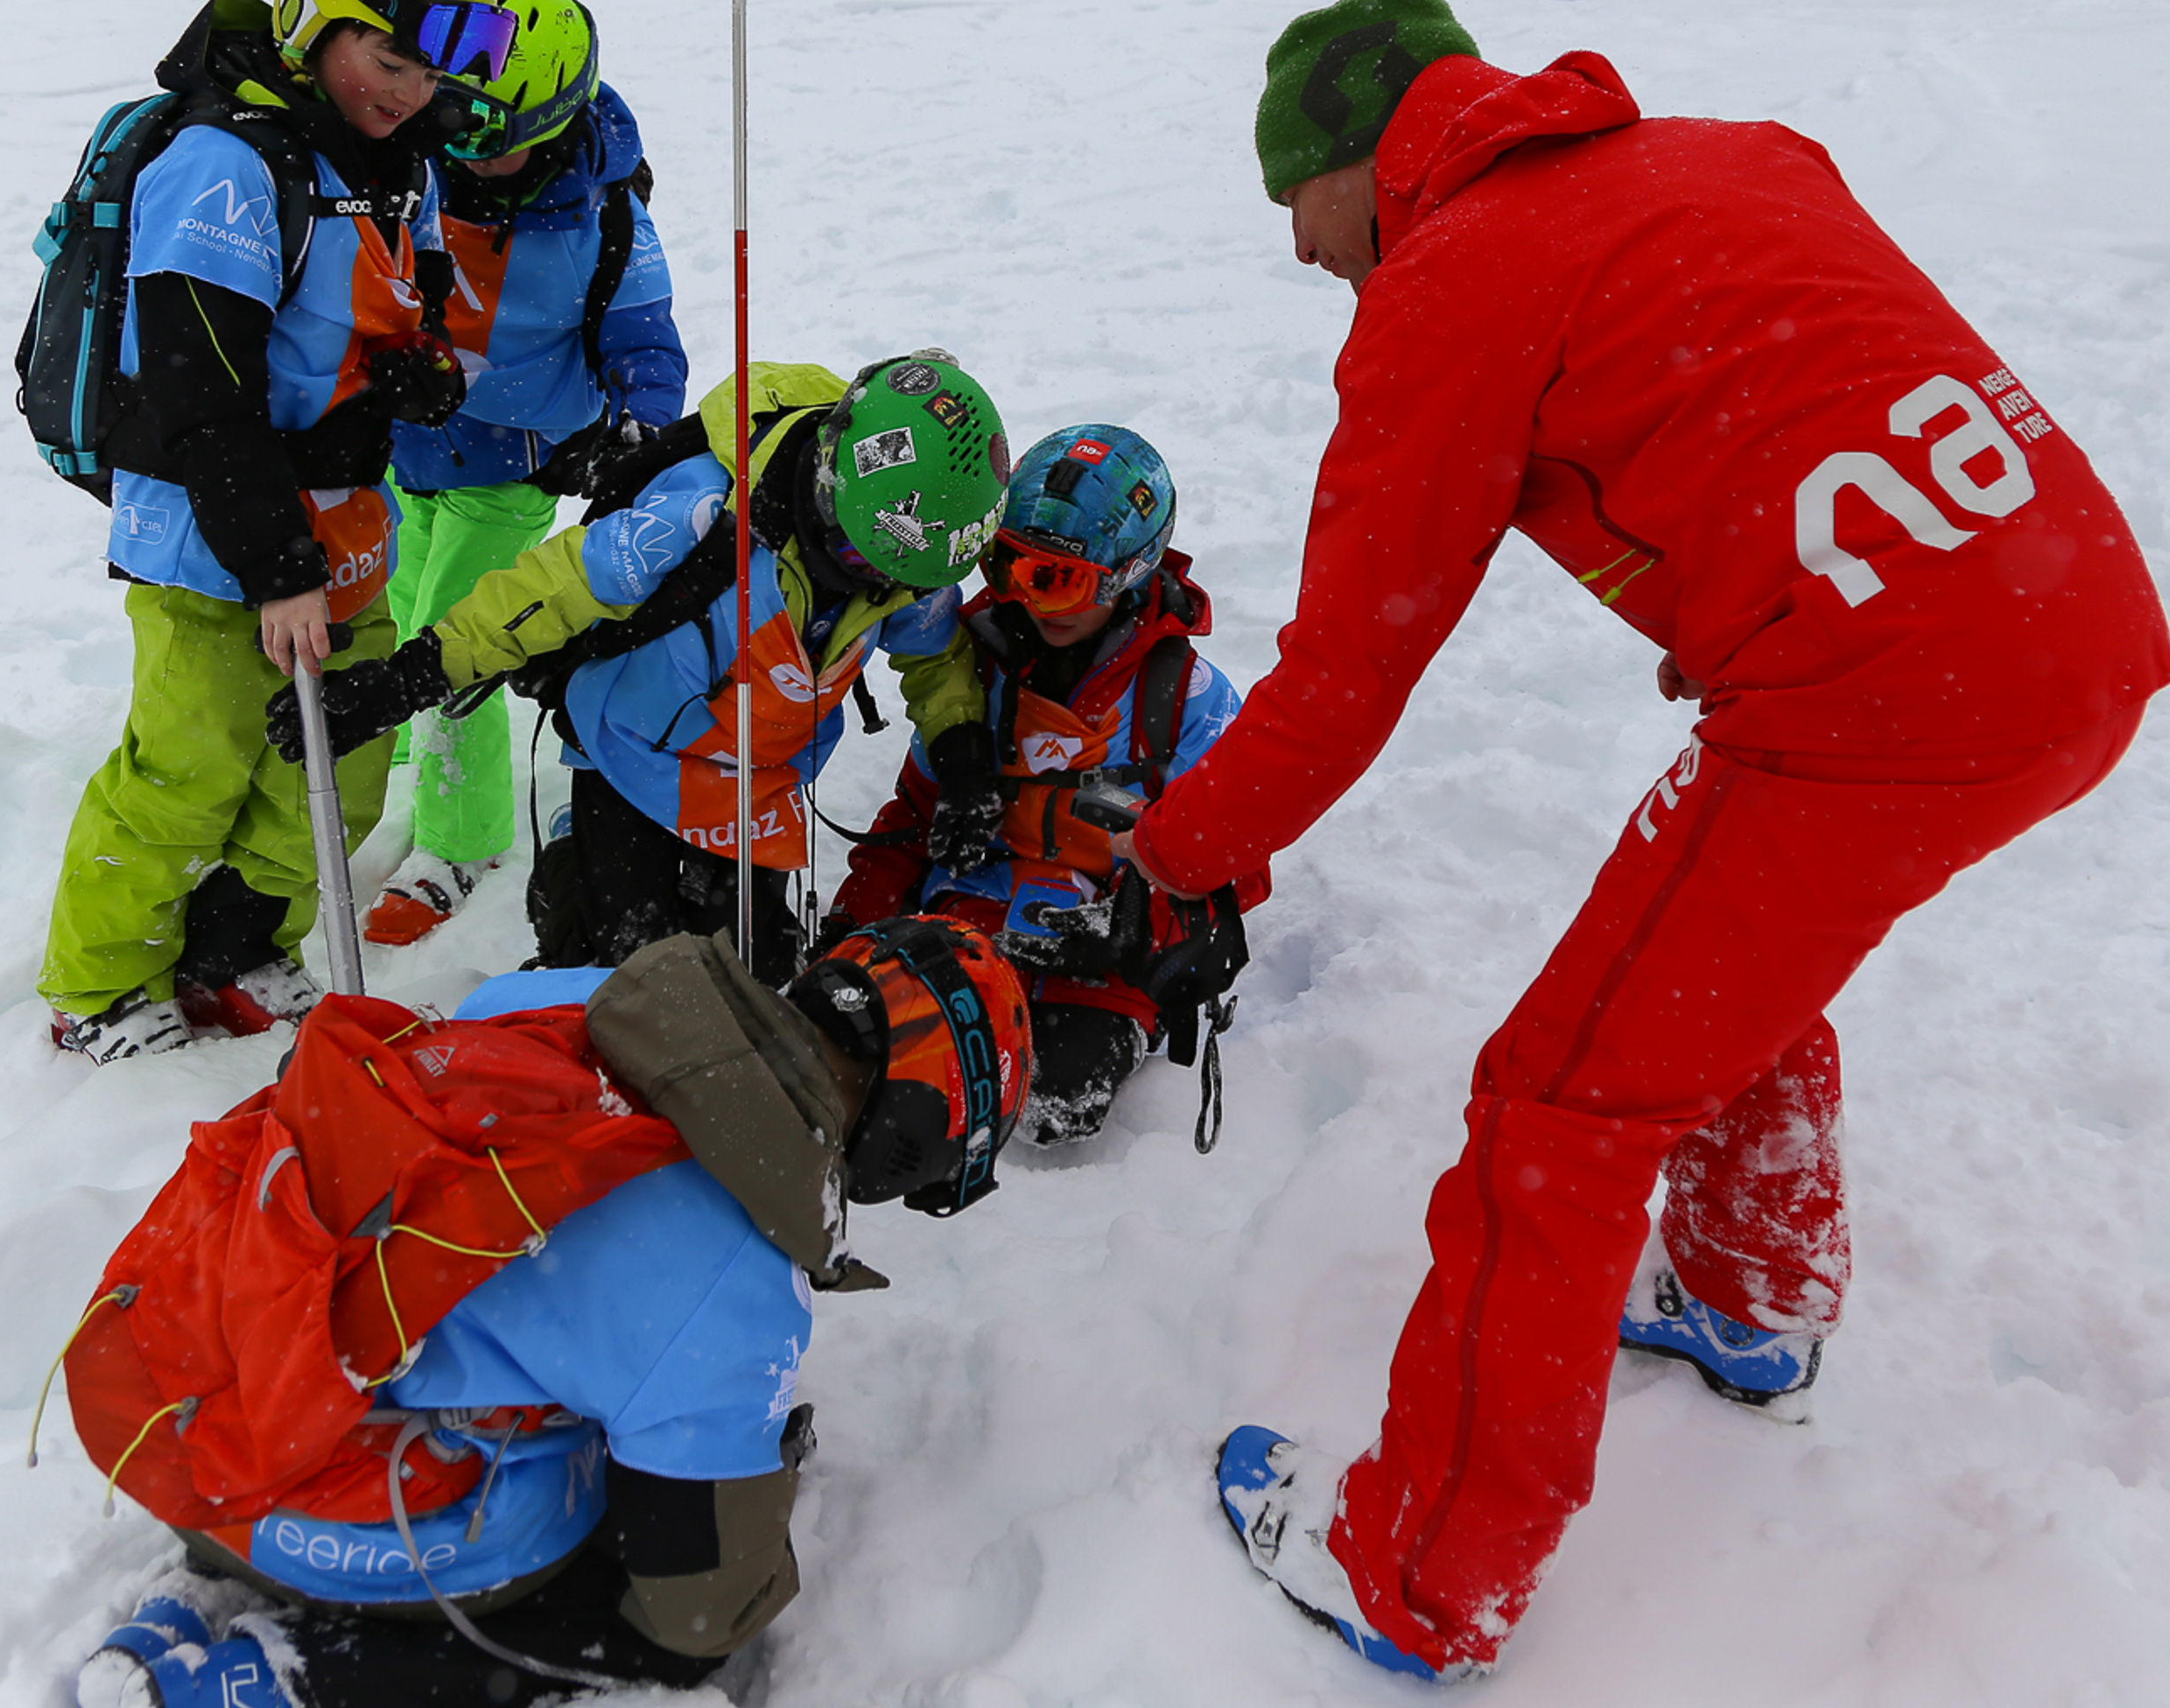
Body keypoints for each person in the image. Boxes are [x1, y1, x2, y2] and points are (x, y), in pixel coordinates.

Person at [1134, 0, 2170, 1677]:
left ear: (1357, 161)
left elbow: (1342, 678)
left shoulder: (1452, 280)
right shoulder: (1731, 156)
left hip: (1876, 698)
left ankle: (1417, 1570)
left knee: (1558, 1103)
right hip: (2073, 620)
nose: (1297, 251)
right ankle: (1747, 1292)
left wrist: (1166, 859)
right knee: (1702, 954)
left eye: (1295, 207)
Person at [62, 915, 1036, 1707]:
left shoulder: (584, 997)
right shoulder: (736, 1285)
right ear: (916, 1143)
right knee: (648, 1618)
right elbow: (693, 1608)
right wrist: (757, 1476)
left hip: (172, 1367)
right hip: (274, 1489)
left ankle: (223, 1586)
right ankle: (277, 1680)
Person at [37, 0, 506, 1062]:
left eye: (433, 73)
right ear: (311, 15)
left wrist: (423, 377)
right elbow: (198, 388)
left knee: (337, 771)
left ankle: (237, 947)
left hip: (347, 526)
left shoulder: (400, 160)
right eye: (390, 64)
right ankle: (96, 989)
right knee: (190, 766)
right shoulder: (225, 164)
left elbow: (422, 307)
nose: (413, 95)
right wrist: (277, 561)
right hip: (214, 529)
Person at [271, 355, 1008, 979]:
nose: (872, 583)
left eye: (894, 575)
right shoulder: (698, 516)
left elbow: (937, 652)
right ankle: (573, 876)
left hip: (757, 776)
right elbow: (543, 594)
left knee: (752, 973)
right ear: (828, 486)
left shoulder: (903, 552)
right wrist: (406, 681)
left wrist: (964, 755)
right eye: (857, 557)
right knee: (620, 966)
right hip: (633, 747)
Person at [825, 424, 1269, 1142]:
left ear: (1130, 570)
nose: (1030, 601)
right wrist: (855, 920)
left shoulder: (1185, 700)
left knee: (1055, 1100)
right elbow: (913, 812)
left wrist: (1134, 925)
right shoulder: (978, 672)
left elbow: (1239, 860)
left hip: (1102, 952)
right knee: (881, 1060)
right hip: (967, 922)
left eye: (1057, 579)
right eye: (1007, 569)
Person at [369, 0, 688, 950]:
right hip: (399, 449)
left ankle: (461, 843)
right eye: (449, 117)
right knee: (386, 610)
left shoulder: (607, 216)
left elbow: (647, 343)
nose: (461, 148)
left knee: (449, 638)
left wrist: (639, 433)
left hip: (510, 469)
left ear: (551, 121)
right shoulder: (416, 164)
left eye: (486, 134)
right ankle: (408, 777)